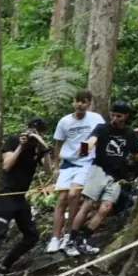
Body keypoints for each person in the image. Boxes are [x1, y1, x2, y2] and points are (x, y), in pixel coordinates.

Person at [67, 101, 138, 256]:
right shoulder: (102, 128)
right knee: (88, 204)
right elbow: (90, 141)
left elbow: (136, 157)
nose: (115, 118)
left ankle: (83, 240)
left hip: (118, 176)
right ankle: (71, 240)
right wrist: (84, 149)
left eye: (119, 116)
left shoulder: (129, 133)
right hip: (100, 170)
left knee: (106, 208)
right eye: (113, 115)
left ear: (126, 117)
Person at [0, 117, 51, 276]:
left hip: (20, 198)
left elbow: (49, 172)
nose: (33, 133)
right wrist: (21, 147)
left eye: (37, 131)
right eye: (31, 130)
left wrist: (43, 147)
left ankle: (4, 266)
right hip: (6, 196)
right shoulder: (13, 141)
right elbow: (7, 166)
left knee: (31, 236)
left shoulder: (39, 148)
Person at [47, 89, 106, 252]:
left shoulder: (96, 119)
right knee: (62, 199)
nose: (80, 104)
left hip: (86, 162)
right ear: (74, 102)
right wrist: (56, 166)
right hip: (68, 163)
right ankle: (55, 238)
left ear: (89, 104)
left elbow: (104, 136)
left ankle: (68, 234)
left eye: (84, 101)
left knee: (74, 195)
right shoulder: (64, 121)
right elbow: (58, 144)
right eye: (78, 101)